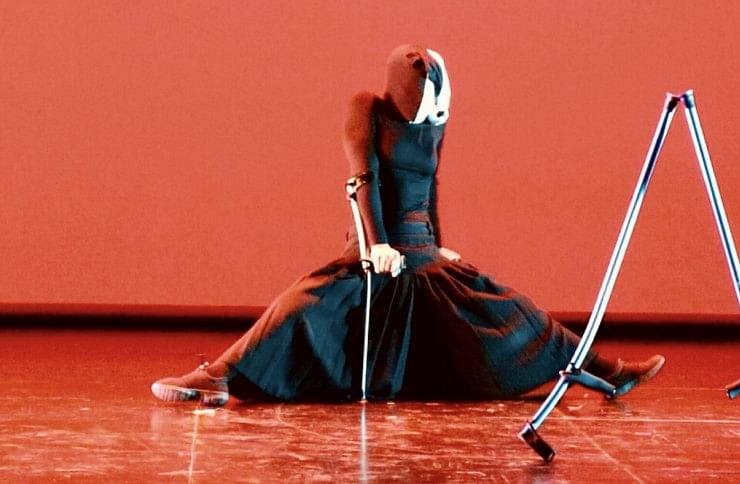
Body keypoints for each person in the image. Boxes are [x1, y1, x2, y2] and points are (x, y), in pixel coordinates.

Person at [151, 45, 664, 406]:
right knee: (300, 308)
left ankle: (607, 373)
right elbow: (363, 178)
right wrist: (376, 245)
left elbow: (429, 186)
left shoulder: (434, 126)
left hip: (422, 252)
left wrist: (439, 246)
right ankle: (216, 377)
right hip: (376, 248)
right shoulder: (367, 108)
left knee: (513, 312)